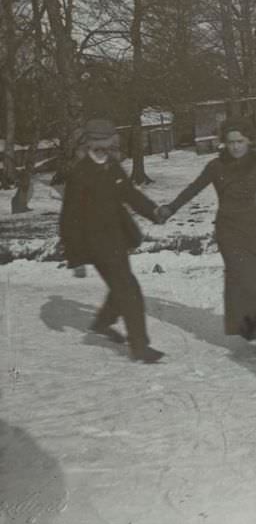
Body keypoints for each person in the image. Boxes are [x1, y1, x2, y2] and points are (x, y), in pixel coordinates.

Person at [156, 116, 256, 356]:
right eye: (231, 142)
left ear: (249, 141)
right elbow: (192, 190)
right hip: (229, 231)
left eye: (240, 141)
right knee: (250, 283)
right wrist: (170, 208)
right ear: (224, 143)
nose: (235, 146)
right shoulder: (215, 167)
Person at [59, 118, 165, 364]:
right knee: (129, 290)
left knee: (121, 286)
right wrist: (75, 259)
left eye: (109, 147)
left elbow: (129, 193)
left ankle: (102, 322)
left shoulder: (113, 166)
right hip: (95, 245)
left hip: (117, 239)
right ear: (88, 145)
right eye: (99, 147)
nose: (105, 152)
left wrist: (153, 211)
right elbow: (69, 219)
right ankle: (140, 347)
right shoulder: (79, 175)